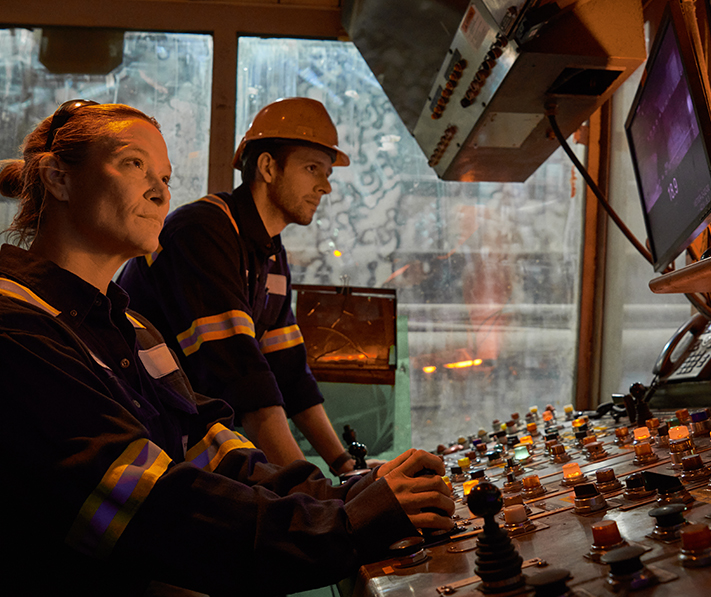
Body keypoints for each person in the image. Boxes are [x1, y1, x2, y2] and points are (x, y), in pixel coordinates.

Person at [0, 100, 454, 596]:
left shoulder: (132, 326)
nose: (159, 191)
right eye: (134, 164)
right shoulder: (17, 327)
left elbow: (213, 447)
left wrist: (350, 487)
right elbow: (148, 503)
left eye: (166, 177)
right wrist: (343, 525)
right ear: (57, 179)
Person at [118, 98, 358, 473]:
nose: (325, 186)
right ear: (267, 167)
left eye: (327, 173)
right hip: (144, 444)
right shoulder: (202, 231)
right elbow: (242, 377)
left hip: (185, 441)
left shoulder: (269, 253)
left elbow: (289, 371)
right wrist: (312, 492)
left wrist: (346, 467)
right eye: (313, 168)